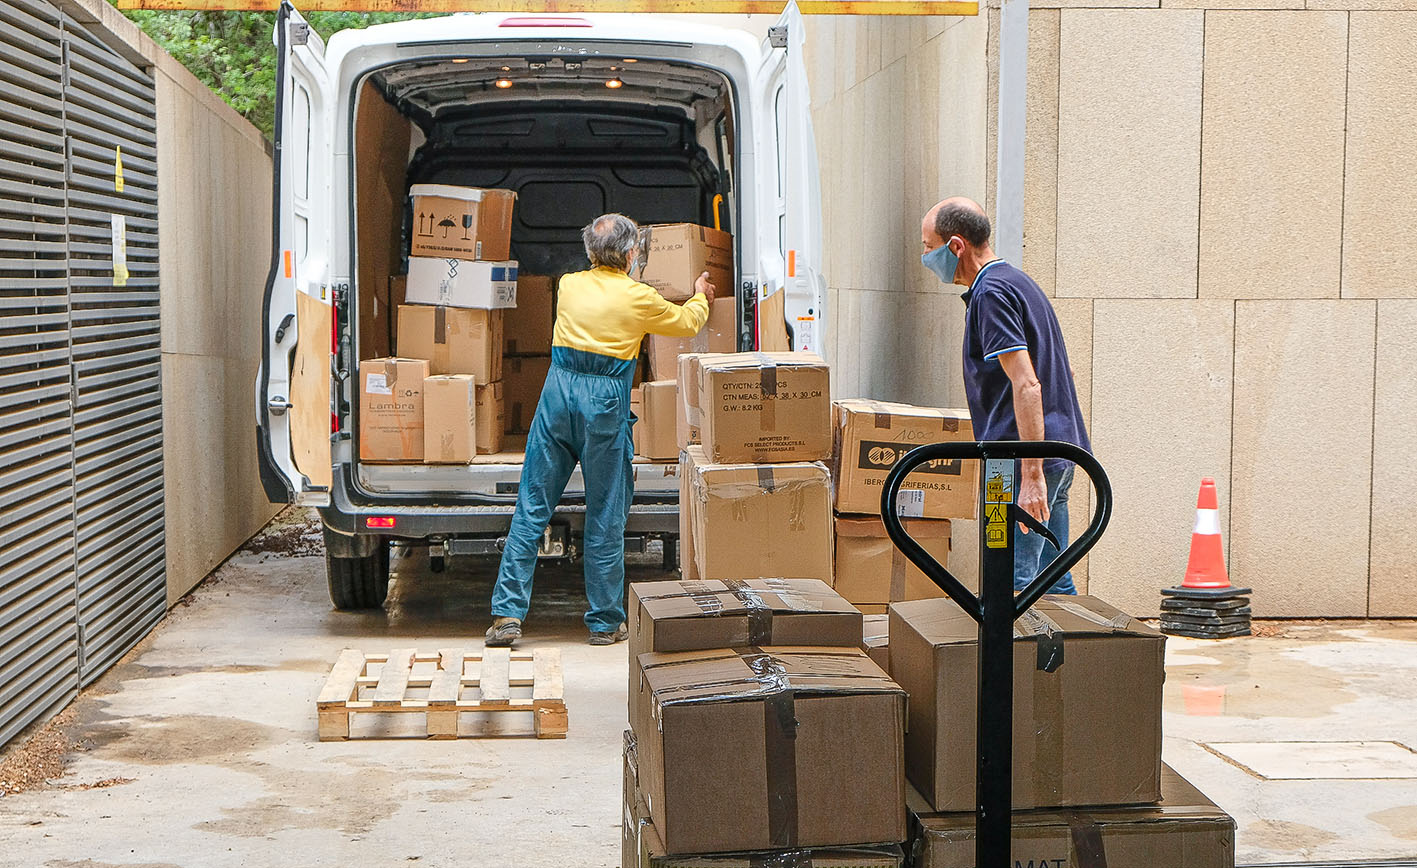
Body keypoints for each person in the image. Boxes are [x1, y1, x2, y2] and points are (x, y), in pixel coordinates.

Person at [486, 214, 714, 646]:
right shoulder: (639, 297)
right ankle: (605, 622)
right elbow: (686, 324)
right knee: (605, 515)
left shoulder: (568, 286)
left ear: (590, 252)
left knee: (532, 507)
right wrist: (700, 296)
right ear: (631, 255)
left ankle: (506, 617)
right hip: (605, 401)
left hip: (557, 394)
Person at [920, 197, 1090, 594]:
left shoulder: (991, 294)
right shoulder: (1018, 281)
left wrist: (1030, 476)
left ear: (956, 246)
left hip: (1018, 460)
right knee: (1053, 579)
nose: (925, 256)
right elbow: (1062, 369)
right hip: (1056, 450)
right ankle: (1068, 655)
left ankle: (1009, 657)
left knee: (1010, 583)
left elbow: (1028, 383)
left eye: (929, 246)